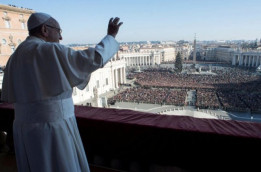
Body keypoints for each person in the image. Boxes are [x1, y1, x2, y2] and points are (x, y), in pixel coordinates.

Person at [1, 12, 123, 172]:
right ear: (45, 30)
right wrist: (111, 36)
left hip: (23, 129)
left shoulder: (15, 56)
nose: (61, 38)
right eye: (59, 32)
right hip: (52, 127)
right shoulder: (48, 50)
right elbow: (92, 59)